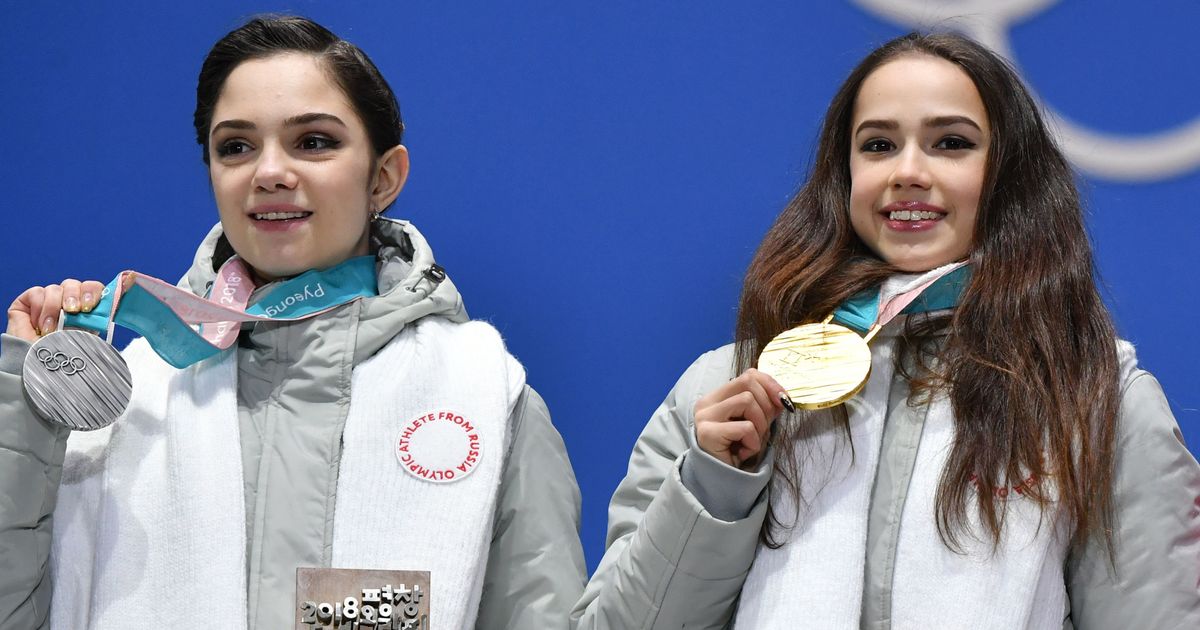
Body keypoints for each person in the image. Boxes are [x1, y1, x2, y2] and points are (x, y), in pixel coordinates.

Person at [572, 32, 1200, 629]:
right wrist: (715, 488)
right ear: (843, 176)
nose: (907, 171)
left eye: (950, 143)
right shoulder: (731, 387)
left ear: (1010, 175)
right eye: (877, 145)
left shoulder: (1095, 397)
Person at [0, 15, 585, 629]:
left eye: (313, 142)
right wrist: (27, 408)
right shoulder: (121, 394)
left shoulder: (487, 395)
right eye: (236, 147)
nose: (269, 172)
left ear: (383, 178)